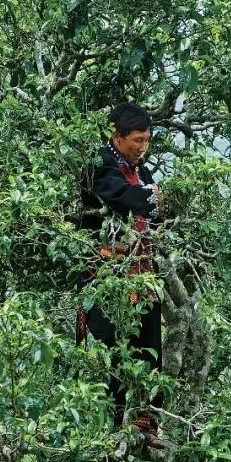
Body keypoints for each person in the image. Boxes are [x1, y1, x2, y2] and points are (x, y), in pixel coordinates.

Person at [78, 103, 163, 442]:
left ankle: (146, 423)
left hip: (144, 274)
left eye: (147, 140)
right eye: (137, 140)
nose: (142, 147)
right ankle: (107, 430)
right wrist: (151, 199)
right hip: (107, 276)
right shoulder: (100, 164)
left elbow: (153, 209)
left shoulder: (142, 172)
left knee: (149, 349)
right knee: (109, 353)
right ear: (117, 136)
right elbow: (120, 197)